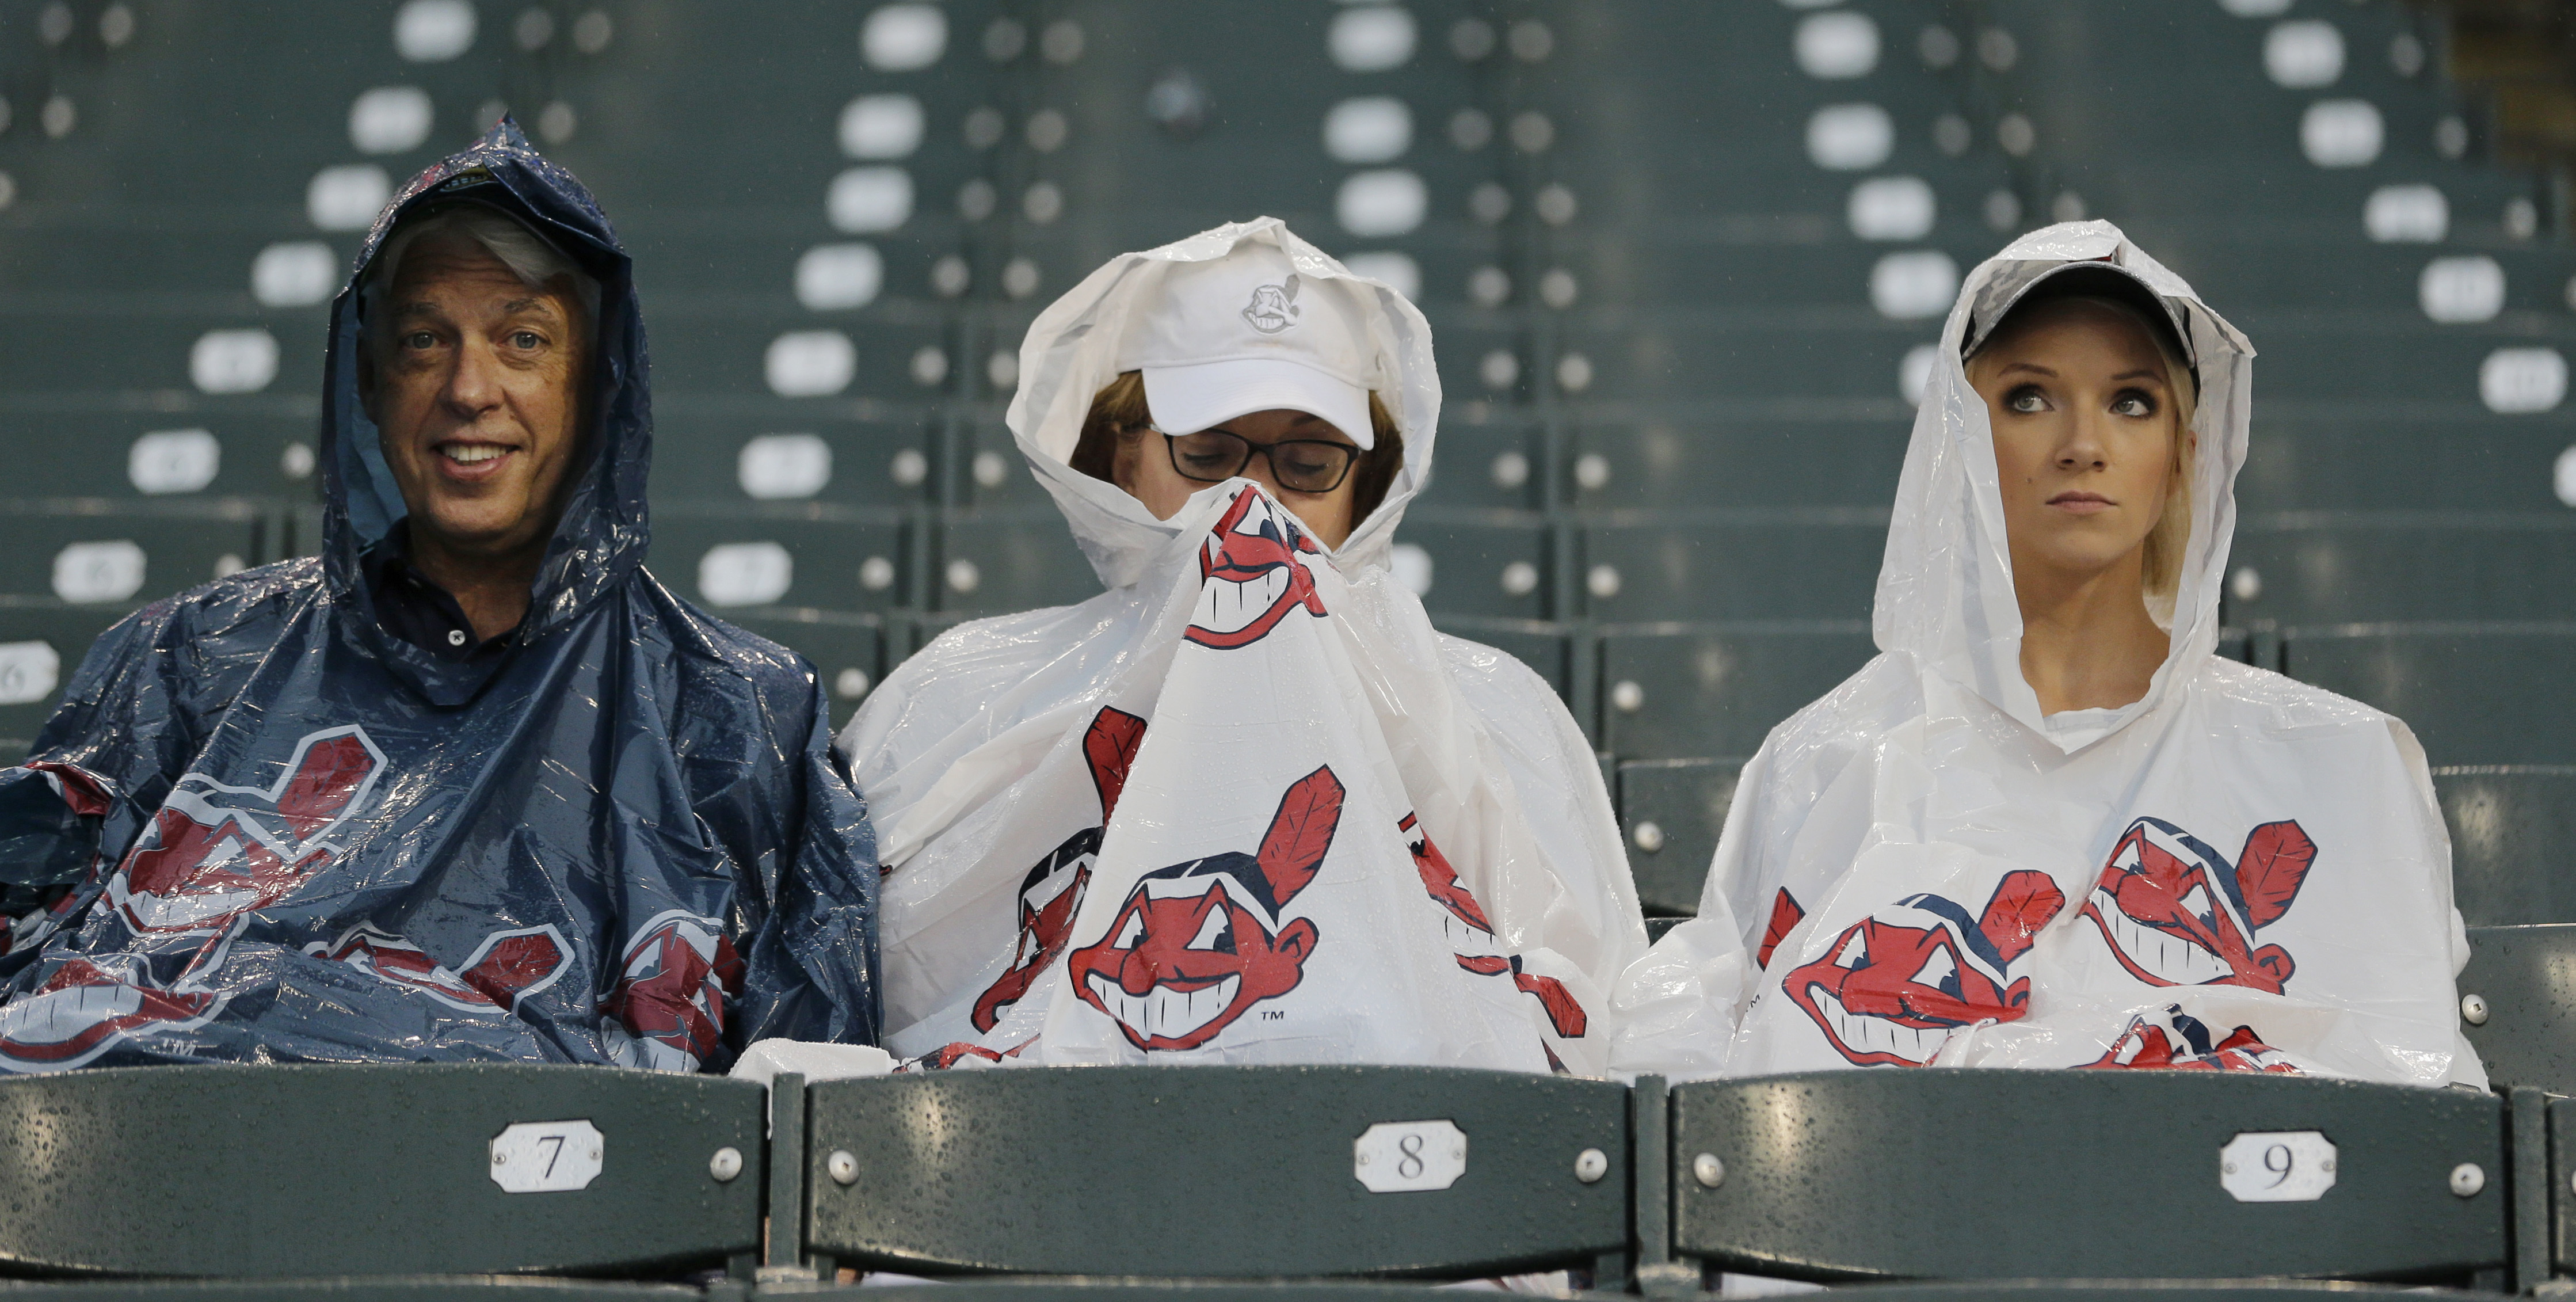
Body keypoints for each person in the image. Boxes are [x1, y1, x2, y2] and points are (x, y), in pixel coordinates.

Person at [0, 120, 878, 1071]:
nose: (470, 388)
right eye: (426, 340)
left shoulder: (738, 718)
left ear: (597, 382)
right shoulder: (187, 664)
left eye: (524, 339)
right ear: (370, 380)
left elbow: (811, 1116)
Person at [1613, 221, 2480, 1087]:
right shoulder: (1825, 759)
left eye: (2131, 401)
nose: (2083, 442)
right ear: (1961, 438)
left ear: (2183, 456)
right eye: (2030, 397)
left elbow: (2414, 1116)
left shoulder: (2339, 765)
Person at [843, 218, 1645, 1072]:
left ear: (1363, 486)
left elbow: (1589, 1025)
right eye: (1210, 454)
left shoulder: (1495, 711)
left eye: (1305, 462)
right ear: (1124, 460)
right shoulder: (963, 695)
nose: (1251, 500)